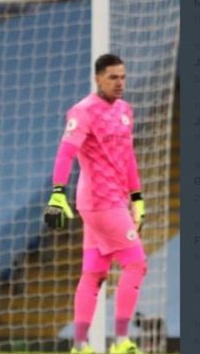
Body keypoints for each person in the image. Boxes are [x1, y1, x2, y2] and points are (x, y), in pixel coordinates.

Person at [44, 54, 147, 354]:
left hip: (116, 201)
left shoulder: (126, 111)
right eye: (113, 77)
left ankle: (79, 346)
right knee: (137, 264)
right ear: (98, 78)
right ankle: (121, 342)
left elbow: (128, 157)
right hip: (99, 202)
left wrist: (137, 197)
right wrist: (58, 193)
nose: (119, 83)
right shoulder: (83, 111)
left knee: (94, 273)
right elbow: (66, 154)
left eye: (123, 77)